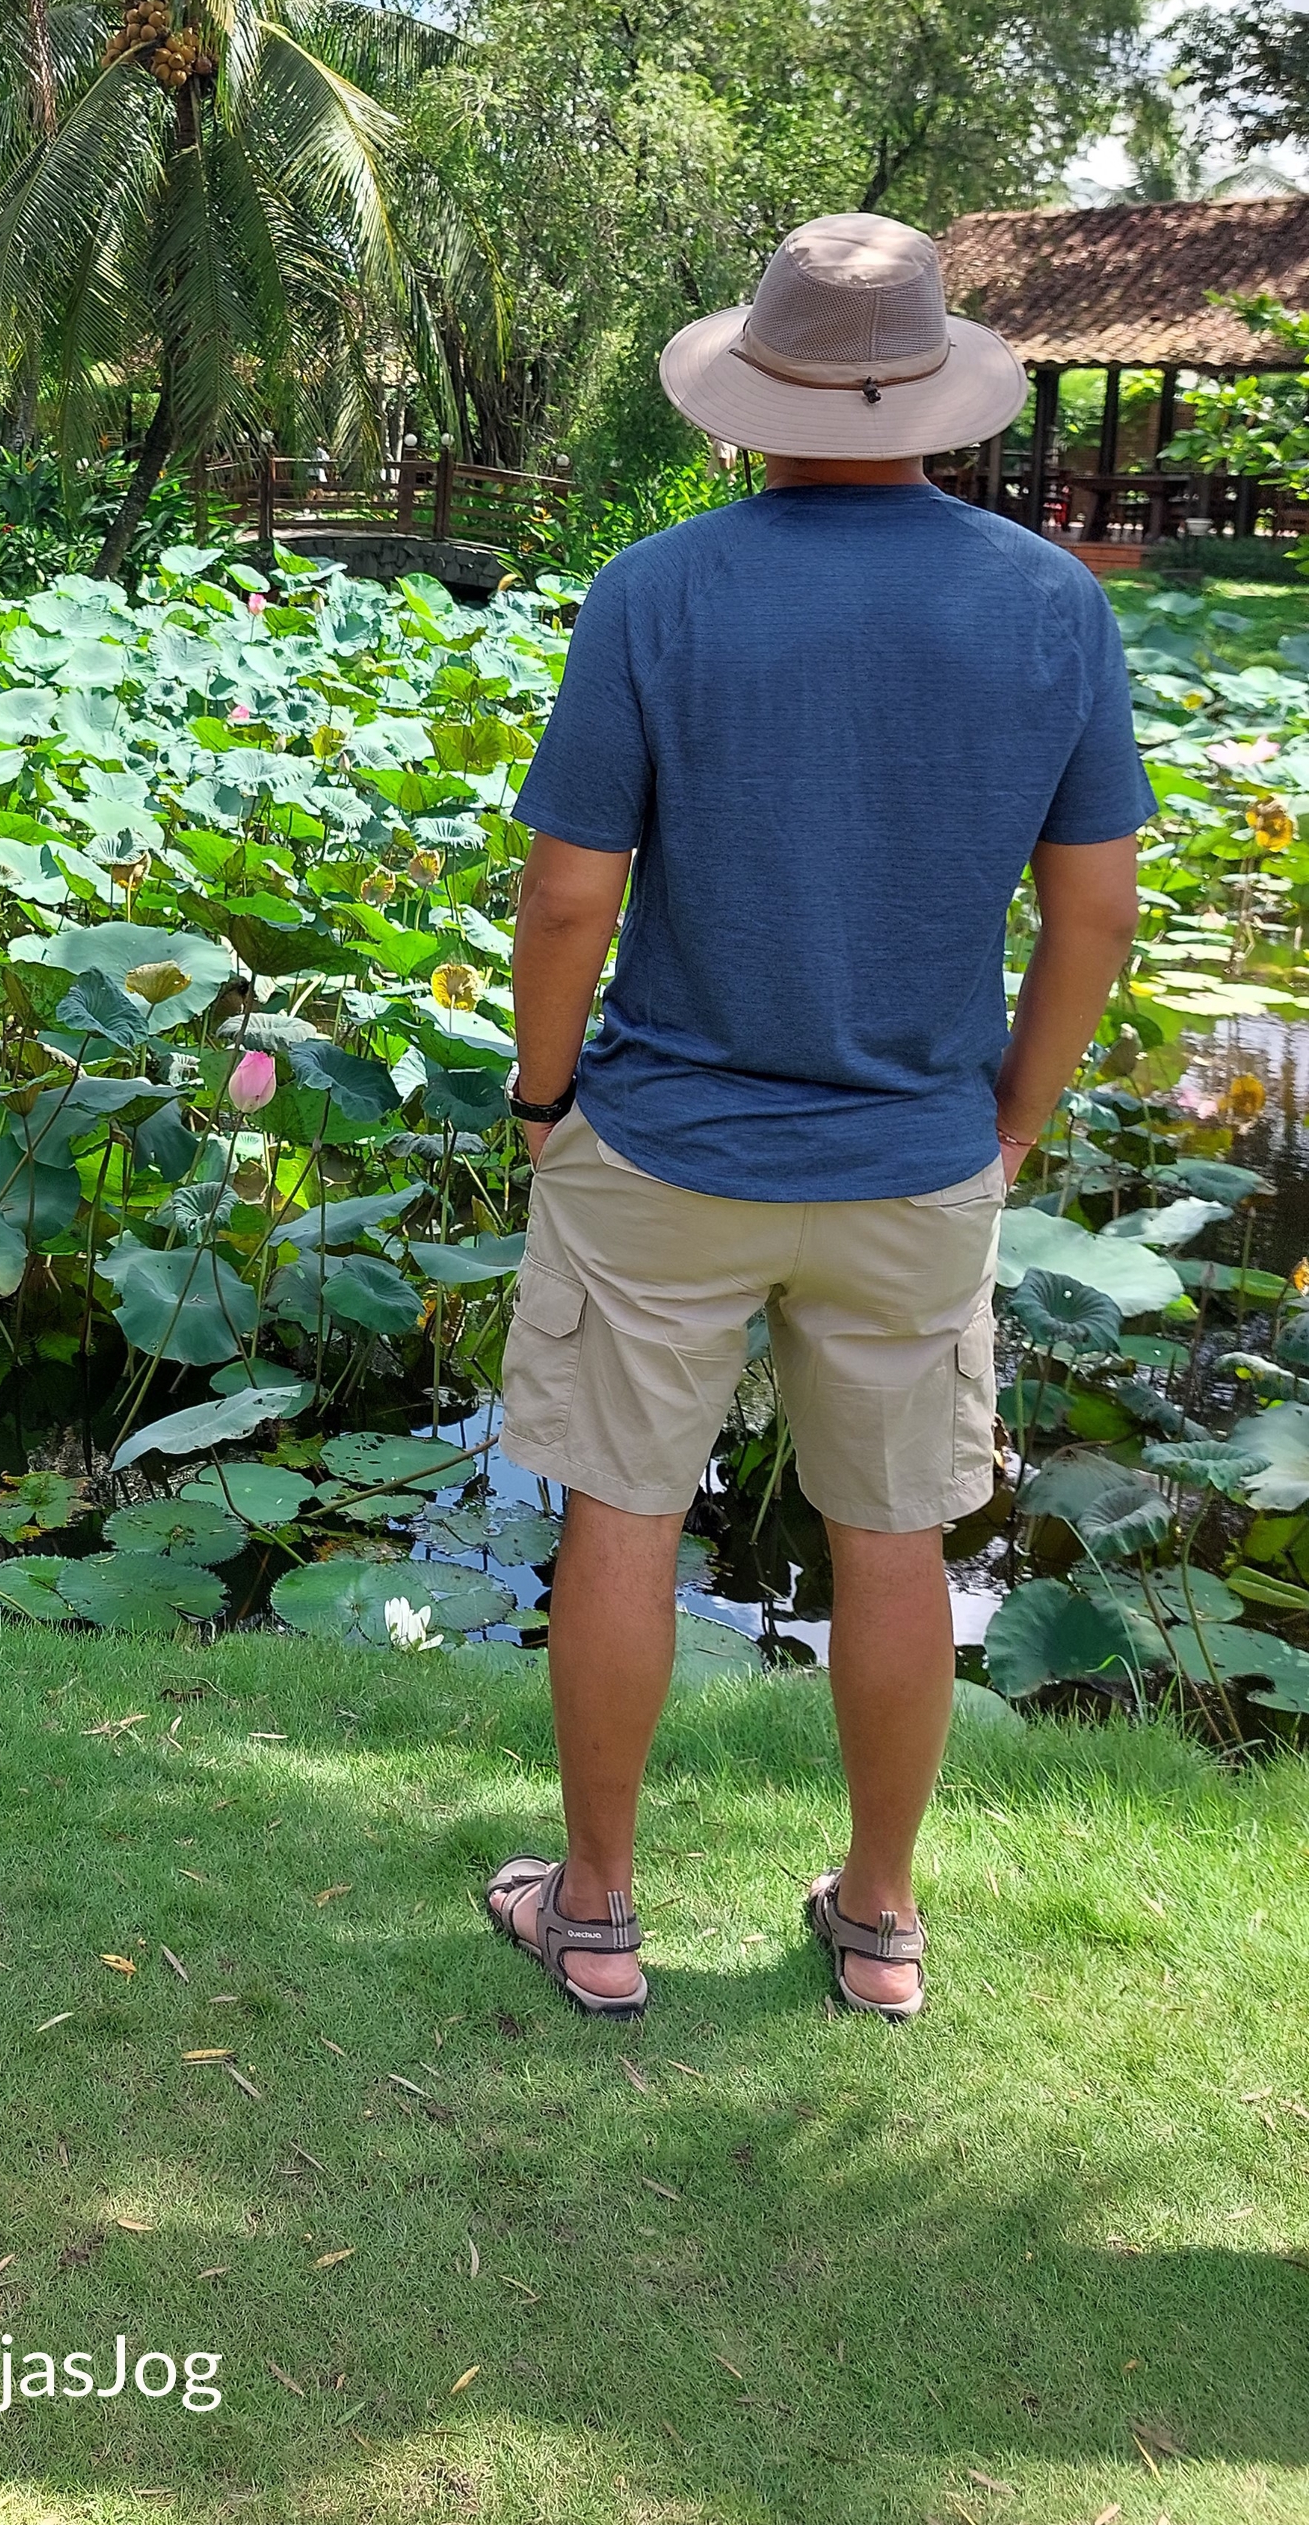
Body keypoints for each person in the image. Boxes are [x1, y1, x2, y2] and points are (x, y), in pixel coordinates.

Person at [484, 214, 1148, 2023]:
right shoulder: (1051, 603)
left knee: (624, 1510)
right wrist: (1010, 1124)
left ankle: (597, 1913)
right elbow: (1095, 913)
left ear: (750, 396)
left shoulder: (656, 591)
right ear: (934, 393)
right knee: (894, 1537)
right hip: (917, 1157)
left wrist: (543, 1098)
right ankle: (878, 1920)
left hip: (665, 1145)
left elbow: (567, 897)